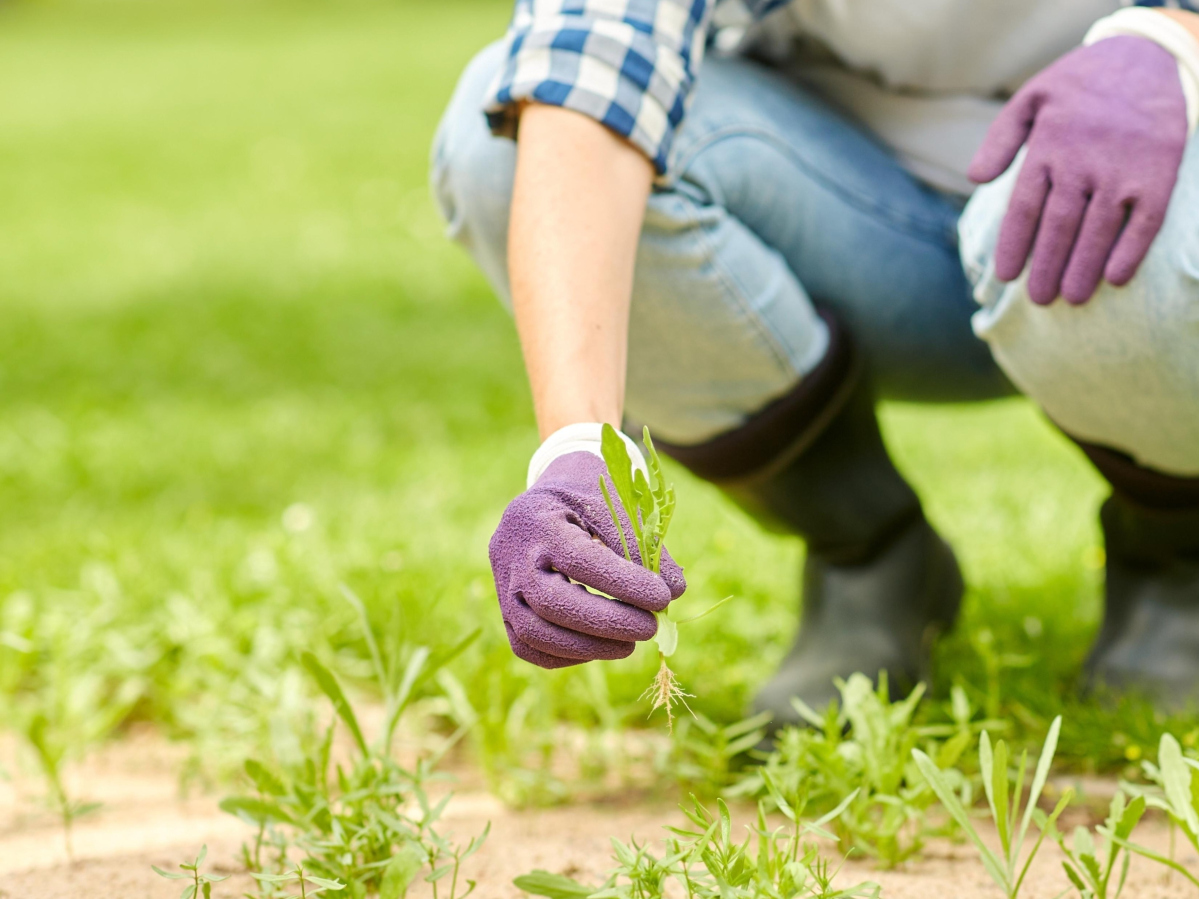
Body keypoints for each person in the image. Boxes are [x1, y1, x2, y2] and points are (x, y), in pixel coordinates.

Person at [431, 0, 1199, 726]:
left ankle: (1176, 552)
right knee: (501, 140)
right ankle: (868, 552)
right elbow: (590, 62)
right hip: (848, 203)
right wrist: (575, 446)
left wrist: (1170, 34)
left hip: (1144, 163)